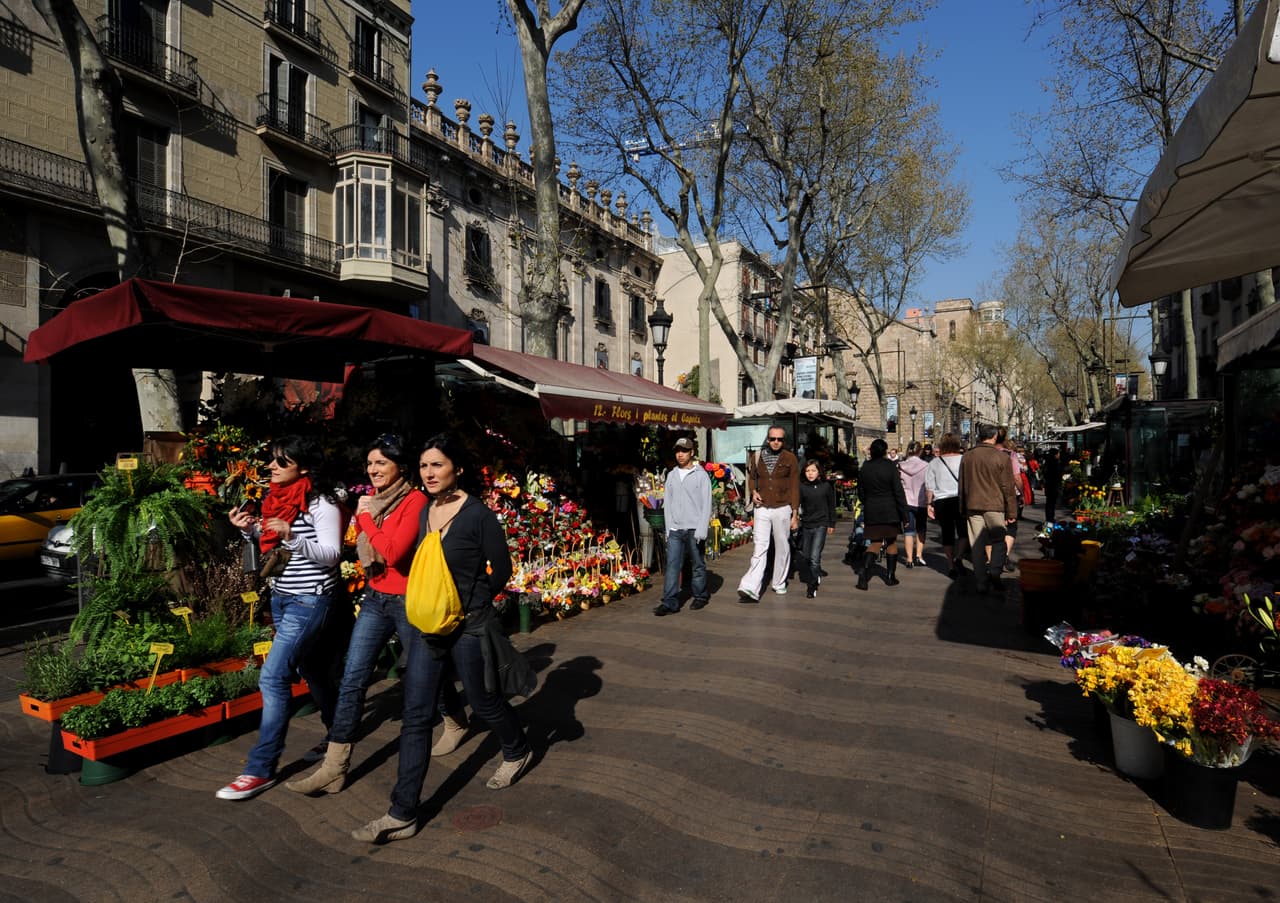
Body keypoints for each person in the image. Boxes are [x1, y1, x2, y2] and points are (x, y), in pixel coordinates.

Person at [351, 434, 531, 844]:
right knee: (417, 713)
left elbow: (500, 568)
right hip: (430, 626)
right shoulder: (423, 512)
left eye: (437, 465)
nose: (428, 473)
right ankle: (402, 812)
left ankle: (517, 748)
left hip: (468, 625)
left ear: (458, 469)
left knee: (484, 701)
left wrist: (473, 601)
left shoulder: (478, 516)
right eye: (424, 466)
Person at [286, 433, 436, 796]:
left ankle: (455, 717)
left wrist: (365, 517)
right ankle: (335, 767)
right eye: (370, 463)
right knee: (353, 677)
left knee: (424, 673)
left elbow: (396, 552)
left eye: (381, 463)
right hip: (375, 597)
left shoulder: (414, 501)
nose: (373, 470)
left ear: (400, 466)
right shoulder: (375, 500)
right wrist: (365, 516)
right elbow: (364, 545)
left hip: (406, 601)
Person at [218, 436, 343, 801]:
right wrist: (248, 530)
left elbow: (332, 554)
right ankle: (339, 734)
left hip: (310, 600)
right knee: (314, 670)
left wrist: (292, 538)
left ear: (303, 467)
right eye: (271, 461)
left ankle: (260, 768)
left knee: (273, 677)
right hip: (283, 597)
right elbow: (271, 540)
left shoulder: (322, 504)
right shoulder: (276, 500)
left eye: (280, 462)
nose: (270, 467)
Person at [737, 425, 800, 602]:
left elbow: (795, 486)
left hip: (782, 507)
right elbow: (751, 478)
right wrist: (753, 491)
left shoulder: (790, 458)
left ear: (783, 441)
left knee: (782, 546)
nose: (776, 442)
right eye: (772, 439)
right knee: (759, 546)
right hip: (762, 507)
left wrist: (795, 514)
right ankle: (750, 586)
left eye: (779, 439)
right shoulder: (757, 456)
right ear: (767, 439)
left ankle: (779, 582)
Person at [654, 437, 713, 616]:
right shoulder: (671, 475)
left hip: (694, 528)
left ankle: (700, 595)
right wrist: (669, 527)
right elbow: (668, 504)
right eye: (678, 450)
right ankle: (670, 601)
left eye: (684, 450)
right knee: (672, 565)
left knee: (697, 564)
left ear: (692, 452)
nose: (680, 454)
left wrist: (702, 529)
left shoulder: (701, 475)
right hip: (675, 530)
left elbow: (706, 504)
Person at [958, 424, 1018, 594]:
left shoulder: (968, 456)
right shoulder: (1001, 457)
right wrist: (1011, 511)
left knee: (977, 544)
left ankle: (981, 582)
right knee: (999, 540)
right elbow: (1008, 487)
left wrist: (962, 507)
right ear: (993, 437)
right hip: (995, 506)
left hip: (973, 505)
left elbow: (962, 485)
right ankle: (995, 571)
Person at [855, 439, 909, 590]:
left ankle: (863, 574)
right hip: (890, 509)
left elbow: (860, 491)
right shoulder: (890, 466)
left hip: (872, 508)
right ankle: (890, 576)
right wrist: (904, 513)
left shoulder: (865, 468)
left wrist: (868, 502)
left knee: (875, 543)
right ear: (885, 451)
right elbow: (898, 491)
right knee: (891, 542)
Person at [925, 433, 965, 579]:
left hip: (942, 501)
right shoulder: (964, 459)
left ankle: (950, 565)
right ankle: (959, 557)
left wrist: (929, 504)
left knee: (947, 534)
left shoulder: (934, 463)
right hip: (961, 499)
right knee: (963, 532)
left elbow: (930, 487)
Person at [797, 459, 837, 598]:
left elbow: (832, 505)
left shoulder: (826, 486)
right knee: (807, 556)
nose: (810, 473)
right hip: (807, 525)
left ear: (819, 472)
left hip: (821, 524)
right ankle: (816, 573)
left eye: (813, 470)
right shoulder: (802, 487)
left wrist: (832, 523)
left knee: (814, 557)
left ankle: (812, 585)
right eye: (807, 471)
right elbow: (797, 504)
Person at [897, 441, 929, 568]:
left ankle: (909, 559)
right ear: (920, 451)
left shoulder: (900, 465)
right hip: (921, 501)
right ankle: (919, 556)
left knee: (908, 530)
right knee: (921, 529)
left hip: (906, 501)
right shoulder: (926, 466)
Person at [1042, 448, 1063, 524]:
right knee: (1051, 503)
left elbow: (1044, 473)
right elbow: (1058, 474)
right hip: (1054, 485)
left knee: (1049, 502)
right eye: (1058, 453)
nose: (1059, 455)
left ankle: (1049, 518)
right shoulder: (1055, 463)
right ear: (1055, 455)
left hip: (1049, 485)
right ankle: (1050, 519)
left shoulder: (1047, 462)